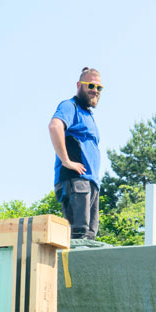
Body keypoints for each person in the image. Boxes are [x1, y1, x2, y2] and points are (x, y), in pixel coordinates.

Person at [49, 67, 103, 239]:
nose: (95, 91)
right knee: (78, 234)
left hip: (91, 182)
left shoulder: (87, 114)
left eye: (99, 88)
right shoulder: (69, 106)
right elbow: (54, 126)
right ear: (79, 85)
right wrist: (66, 161)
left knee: (89, 237)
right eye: (91, 86)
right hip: (76, 181)